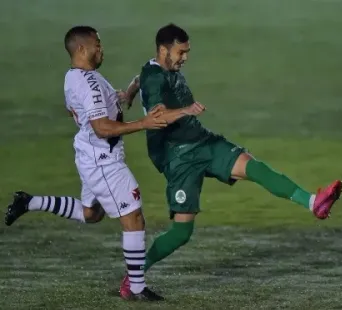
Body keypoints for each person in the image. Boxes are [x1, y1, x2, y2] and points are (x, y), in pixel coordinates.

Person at [119, 23, 342, 296]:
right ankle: (135, 275)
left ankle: (313, 203)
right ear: (164, 49)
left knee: (254, 167)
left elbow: (140, 75)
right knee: (181, 233)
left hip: (202, 141)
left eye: (187, 52)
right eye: (181, 52)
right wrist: (187, 109)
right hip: (178, 157)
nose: (185, 58)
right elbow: (155, 119)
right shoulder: (156, 79)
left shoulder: (157, 67)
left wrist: (129, 93)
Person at [4, 25, 203, 301]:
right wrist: (143, 122)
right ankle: (136, 288)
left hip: (87, 153)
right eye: (97, 45)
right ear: (82, 49)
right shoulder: (89, 83)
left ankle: (28, 201)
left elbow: (81, 109)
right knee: (134, 218)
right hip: (104, 160)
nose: (102, 49)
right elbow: (102, 127)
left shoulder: (73, 77)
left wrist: (119, 98)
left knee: (91, 214)